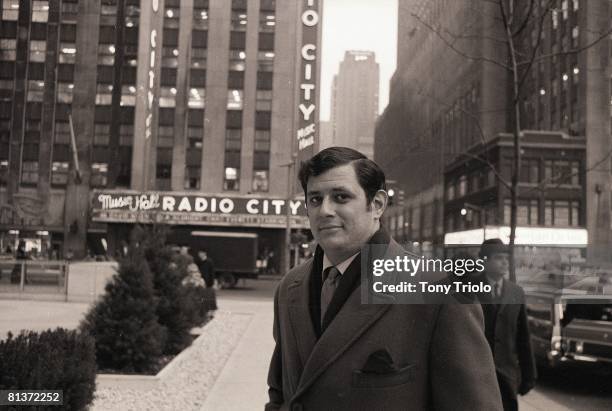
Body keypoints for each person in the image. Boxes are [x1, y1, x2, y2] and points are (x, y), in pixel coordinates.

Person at [266, 147, 502, 410]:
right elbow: (279, 392)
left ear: (377, 204)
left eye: (341, 197)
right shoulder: (290, 287)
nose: (325, 211)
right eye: (315, 199)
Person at [475, 239, 537, 411]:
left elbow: (523, 337)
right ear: (484, 261)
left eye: (506, 258)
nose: (504, 262)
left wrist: (529, 375)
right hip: (477, 375)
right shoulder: (469, 289)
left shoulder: (515, 292)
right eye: (498, 258)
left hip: (507, 376)